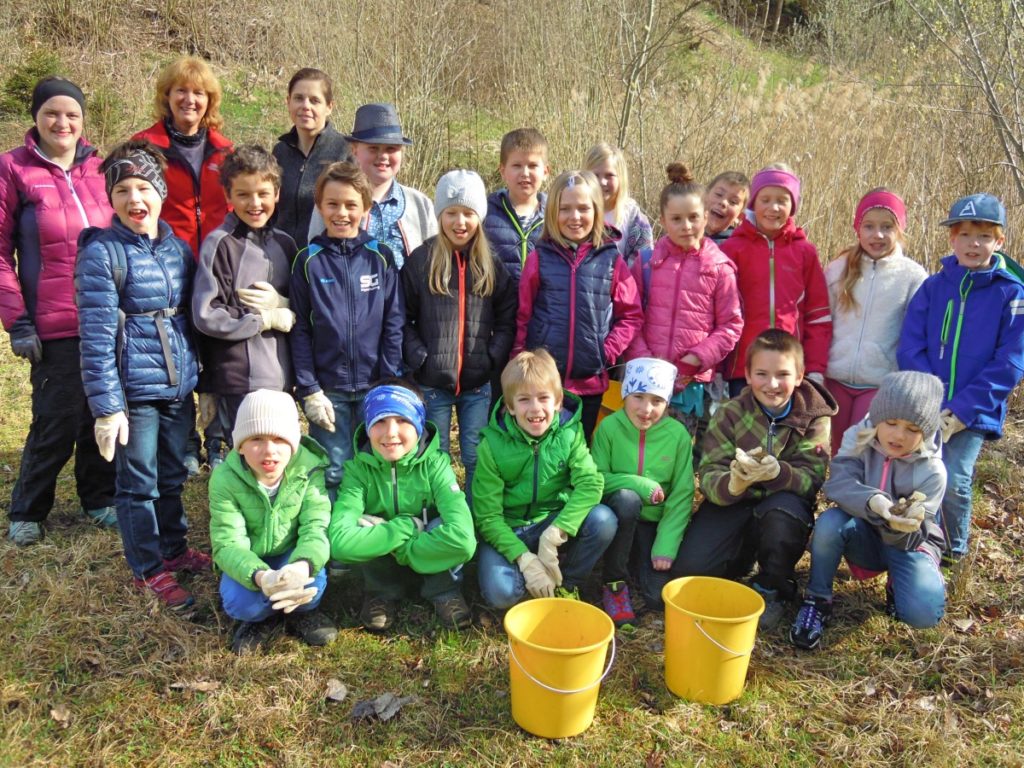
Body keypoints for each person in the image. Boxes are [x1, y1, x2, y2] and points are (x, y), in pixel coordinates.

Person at [75, 139, 209, 610]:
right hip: (135, 389)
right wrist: (108, 406)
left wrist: (202, 380)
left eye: (143, 188)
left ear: (159, 191)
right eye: (123, 191)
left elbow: (194, 317)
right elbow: (94, 337)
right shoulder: (101, 254)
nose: (135, 200)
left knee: (172, 474)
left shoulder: (177, 248)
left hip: (179, 384)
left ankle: (174, 549)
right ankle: (148, 568)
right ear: (110, 199)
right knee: (139, 483)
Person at [0, 76, 116, 545]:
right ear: (36, 117)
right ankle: (28, 508)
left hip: (106, 319)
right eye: (52, 112)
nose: (62, 122)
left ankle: (98, 497)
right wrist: (18, 321)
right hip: (53, 322)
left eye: (72, 114)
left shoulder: (100, 169)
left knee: (99, 412)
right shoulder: (13, 169)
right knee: (55, 418)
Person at [673, 330, 837, 630]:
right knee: (690, 570)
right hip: (736, 501)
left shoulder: (815, 416)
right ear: (747, 375)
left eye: (783, 374)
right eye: (761, 373)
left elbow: (812, 480)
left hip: (782, 504)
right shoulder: (730, 413)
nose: (772, 384)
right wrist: (733, 484)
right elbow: (709, 474)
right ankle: (742, 556)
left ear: (800, 375)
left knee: (781, 518)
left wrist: (778, 473)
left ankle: (773, 586)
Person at [898, 193, 1024, 567]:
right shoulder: (934, 287)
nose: (974, 244)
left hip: (973, 411)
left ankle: (954, 551)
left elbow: (1011, 361)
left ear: (999, 241)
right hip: (928, 405)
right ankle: (923, 543)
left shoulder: (1011, 293)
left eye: (984, 236)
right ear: (952, 238)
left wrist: (962, 410)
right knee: (922, 475)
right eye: (965, 234)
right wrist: (929, 400)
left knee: (954, 478)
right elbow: (910, 345)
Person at [790, 371, 947, 650]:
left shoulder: (933, 470)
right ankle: (817, 599)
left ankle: (898, 585)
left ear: (926, 431)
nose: (898, 435)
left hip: (907, 545)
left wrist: (902, 525)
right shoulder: (858, 436)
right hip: (862, 531)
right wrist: (875, 502)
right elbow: (838, 483)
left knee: (922, 616)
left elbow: (917, 534)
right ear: (877, 417)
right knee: (829, 523)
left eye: (912, 429)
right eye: (891, 423)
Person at [133, 55, 234, 474]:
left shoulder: (225, 151)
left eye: (199, 93)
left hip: (218, 262)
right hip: (165, 263)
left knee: (219, 351)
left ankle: (220, 439)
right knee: (176, 350)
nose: (189, 99)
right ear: (167, 96)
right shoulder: (144, 146)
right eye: (181, 91)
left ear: (209, 100)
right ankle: (186, 442)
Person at [402, 169, 517, 494]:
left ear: (479, 216)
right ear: (440, 215)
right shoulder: (422, 260)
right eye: (451, 213)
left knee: (475, 454)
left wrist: (493, 357)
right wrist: (419, 357)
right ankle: (440, 517)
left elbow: (508, 317)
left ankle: (475, 517)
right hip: (432, 380)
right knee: (435, 457)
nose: (460, 222)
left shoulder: (491, 263)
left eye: (468, 213)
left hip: (477, 383)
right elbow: (402, 317)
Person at [472, 349, 616, 609]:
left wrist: (557, 531)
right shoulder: (490, 446)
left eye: (543, 398)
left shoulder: (570, 434)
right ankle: (529, 571)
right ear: (510, 407)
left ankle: (568, 583)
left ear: (558, 402)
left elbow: (590, 483)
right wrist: (523, 558)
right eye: (524, 399)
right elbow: (488, 517)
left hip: (551, 520)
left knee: (603, 519)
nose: (536, 408)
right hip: (510, 525)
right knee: (502, 595)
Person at [328, 381, 477, 631]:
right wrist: (406, 527)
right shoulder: (358, 471)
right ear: (367, 426)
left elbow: (463, 540)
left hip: (427, 549)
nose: (390, 433)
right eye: (379, 421)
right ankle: (381, 592)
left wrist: (402, 548)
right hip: (399, 551)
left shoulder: (436, 466)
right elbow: (339, 542)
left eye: (402, 420)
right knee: (362, 522)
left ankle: (443, 589)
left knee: (442, 524)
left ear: (418, 424)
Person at [291, 162, 403, 493]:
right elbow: (299, 330)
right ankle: (337, 539)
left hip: (375, 384)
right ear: (320, 206)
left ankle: (375, 537)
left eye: (351, 205)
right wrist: (309, 388)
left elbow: (393, 322)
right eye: (333, 204)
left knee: (376, 464)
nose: (342, 213)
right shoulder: (307, 261)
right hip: (329, 389)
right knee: (334, 469)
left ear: (365, 208)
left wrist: (389, 379)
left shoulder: (380, 257)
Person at [511, 170, 643, 442]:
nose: (574, 217)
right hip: (545, 384)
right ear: (552, 214)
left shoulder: (610, 260)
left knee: (580, 453)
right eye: (565, 209)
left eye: (583, 208)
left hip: (589, 383)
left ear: (596, 210)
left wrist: (605, 352)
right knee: (544, 452)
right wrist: (519, 362)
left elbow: (631, 315)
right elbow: (523, 316)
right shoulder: (539, 258)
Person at [209, 389, 337, 654]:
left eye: (279, 439)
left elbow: (316, 526)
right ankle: (259, 619)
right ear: (240, 445)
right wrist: (262, 577)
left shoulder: (309, 470)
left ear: (294, 443)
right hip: (252, 559)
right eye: (256, 439)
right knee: (241, 604)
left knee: (312, 584)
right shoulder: (224, 479)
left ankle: (301, 613)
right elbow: (227, 544)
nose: (269, 451)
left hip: (292, 553)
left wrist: (302, 565)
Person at [626, 163, 743, 445]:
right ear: (663, 221)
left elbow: (731, 325)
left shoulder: (719, 268)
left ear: (705, 217)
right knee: (638, 452)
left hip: (689, 383)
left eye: (693, 217)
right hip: (645, 379)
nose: (686, 226)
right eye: (676, 219)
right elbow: (630, 317)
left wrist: (696, 359)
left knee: (674, 454)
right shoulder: (646, 264)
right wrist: (645, 358)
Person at [191, 146, 296, 450]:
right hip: (239, 380)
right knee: (248, 457)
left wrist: (285, 306)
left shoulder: (286, 244)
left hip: (281, 378)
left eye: (263, 193)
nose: (255, 203)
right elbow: (206, 313)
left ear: (276, 193)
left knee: (278, 458)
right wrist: (261, 320)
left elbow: (301, 307)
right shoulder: (219, 244)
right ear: (228, 196)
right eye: (243, 195)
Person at [590, 357, 694, 627]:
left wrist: (666, 545)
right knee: (628, 498)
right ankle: (614, 582)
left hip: (654, 524)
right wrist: (637, 483)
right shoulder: (609, 428)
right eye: (638, 396)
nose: (646, 409)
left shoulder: (678, 436)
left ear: (667, 403)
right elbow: (596, 478)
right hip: (618, 514)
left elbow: (683, 493)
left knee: (657, 598)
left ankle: (637, 561)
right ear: (624, 393)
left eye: (657, 401)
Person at [825, 189, 926, 455]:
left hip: (878, 382)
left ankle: (856, 496)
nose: (877, 235)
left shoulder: (912, 277)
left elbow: (915, 332)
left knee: (859, 450)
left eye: (887, 227)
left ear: (900, 230)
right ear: (857, 228)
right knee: (832, 449)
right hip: (834, 377)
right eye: (869, 226)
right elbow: (824, 320)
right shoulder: (839, 268)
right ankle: (830, 494)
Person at [719, 164, 831, 395]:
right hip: (742, 369)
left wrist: (816, 368)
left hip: (788, 370)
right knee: (744, 431)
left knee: (782, 431)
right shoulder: (732, 249)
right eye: (766, 199)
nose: (773, 207)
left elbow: (818, 315)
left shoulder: (804, 252)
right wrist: (718, 368)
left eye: (782, 200)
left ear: (792, 207)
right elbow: (717, 312)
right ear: (753, 204)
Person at [307, 103, 436, 268]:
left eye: (391, 149)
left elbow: (435, 260)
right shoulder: (332, 200)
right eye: (373, 148)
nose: (383, 156)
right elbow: (315, 257)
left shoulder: (420, 204)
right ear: (354, 150)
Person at [482, 127, 549, 410]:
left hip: (540, 326)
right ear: (502, 170)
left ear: (546, 170)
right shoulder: (485, 212)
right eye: (517, 165)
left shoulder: (555, 216)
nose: (525, 173)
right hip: (496, 326)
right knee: (500, 403)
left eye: (533, 166)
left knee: (535, 400)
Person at [272, 68, 352, 250]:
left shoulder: (345, 151)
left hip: (325, 260)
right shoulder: (280, 152)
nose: (305, 106)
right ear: (288, 102)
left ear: (329, 107)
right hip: (281, 257)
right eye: (299, 98)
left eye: (315, 100)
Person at [584, 142, 653, 267]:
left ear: (621, 178)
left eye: (609, 175)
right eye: (595, 175)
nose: (602, 182)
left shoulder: (635, 220)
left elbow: (643, 265)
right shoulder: (576, 214)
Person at [703, 170, 750, 244]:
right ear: (704, 196)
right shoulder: (682, 235)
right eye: (719, 194)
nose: (723, 202)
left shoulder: (736, 248)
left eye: (733, 202)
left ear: (740, 216)